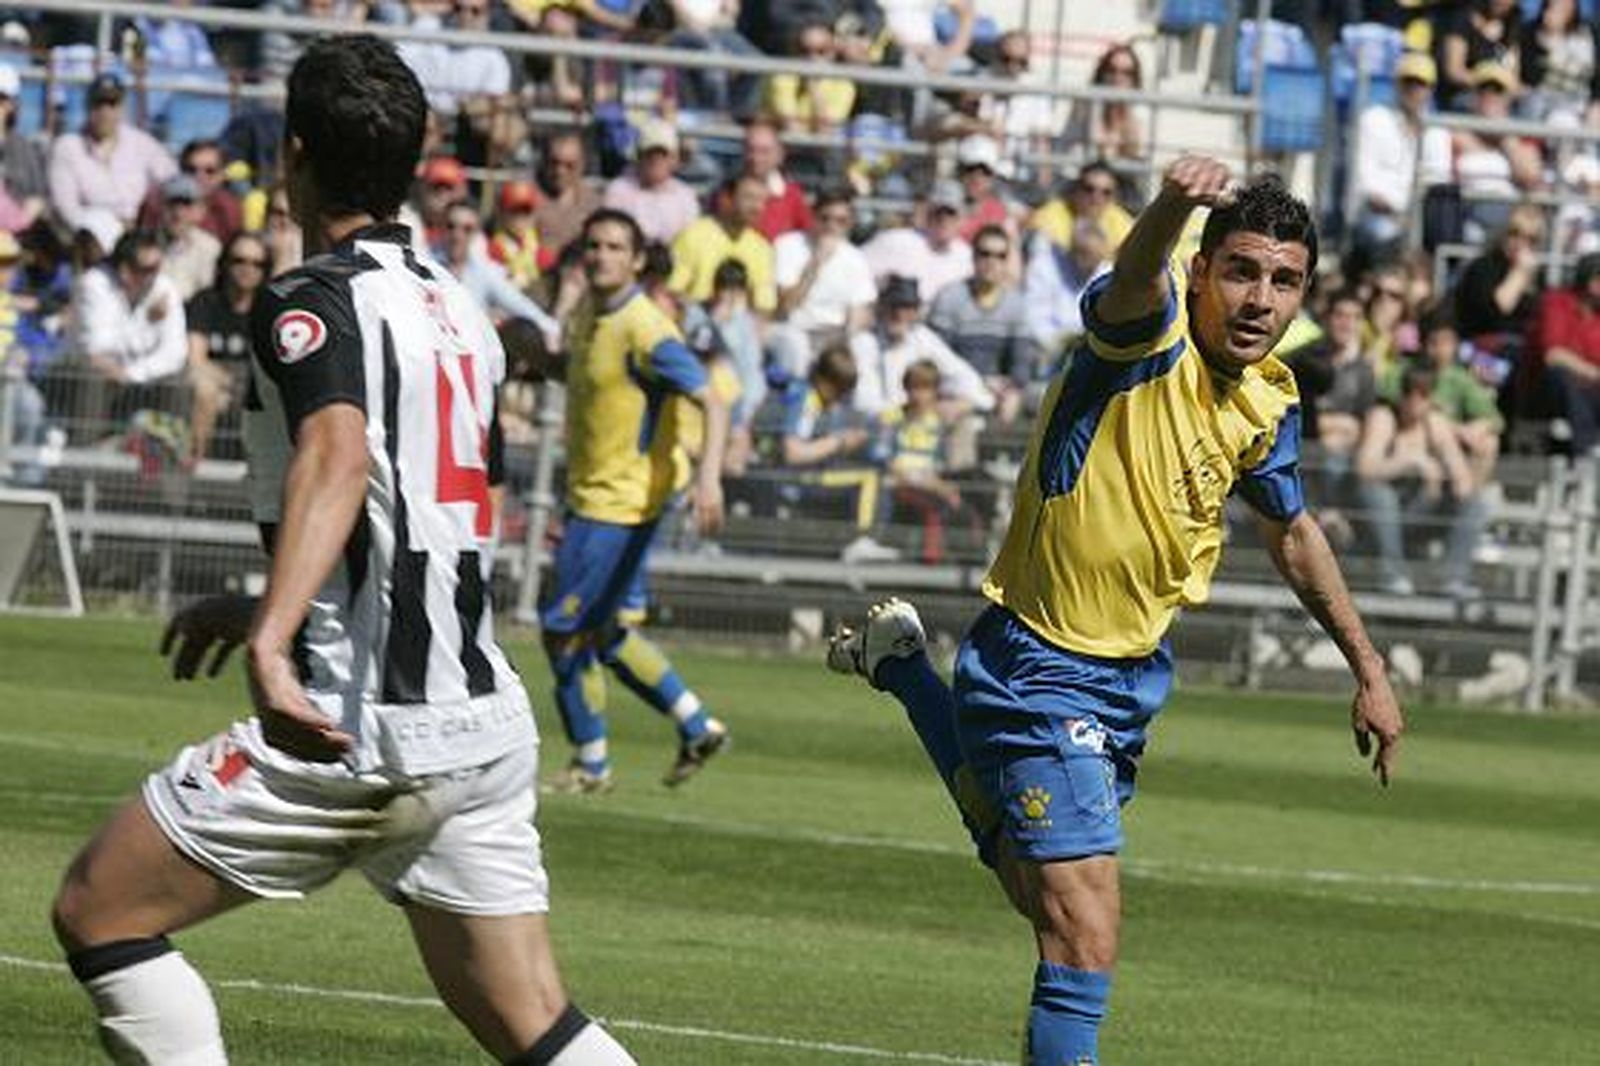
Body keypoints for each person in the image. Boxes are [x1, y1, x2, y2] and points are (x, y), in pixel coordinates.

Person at [49, 35, 636, 1065]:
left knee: (100, 908)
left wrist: (273, 638)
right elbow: (440, 513)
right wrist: (283, 603)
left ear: (294, 155)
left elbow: (339, 455)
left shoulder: (307, 299)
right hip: (481, 722)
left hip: (362, 721)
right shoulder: (464, 310)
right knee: (534, 1022)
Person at [825, 160, 1404, 1063]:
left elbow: (1292, 533)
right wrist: (1172, 205)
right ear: (1201, 272)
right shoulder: (1149, 332)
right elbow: (1134, 278)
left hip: (1131, 676)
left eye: (1285, 281)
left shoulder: (1267, 398)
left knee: (1037, 890)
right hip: (1039, 660)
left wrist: (1369, 667)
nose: (1260, 299)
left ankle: (903, 668)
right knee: (1084, 932)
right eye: (1241, 271)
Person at [543, 207, 731, 793]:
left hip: (616, 507)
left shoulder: (646, 328)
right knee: (605, 633)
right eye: (594, 245)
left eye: (615, 247)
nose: (602, 256)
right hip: (596, 498)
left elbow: (713, 400)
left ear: (637, 260)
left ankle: (590, 764)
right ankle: (696, 724)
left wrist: (709, 478)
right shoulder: (588, 313)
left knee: (563, 631)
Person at [1355, 363, 1488, 598]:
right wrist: (1410, 461)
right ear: (1402, 394)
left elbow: (1463, 479)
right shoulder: (1384, 417)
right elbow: (1365, 469)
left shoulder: (1435, 423)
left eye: (1423, 394)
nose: (1415, 401)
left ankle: (1453, 579)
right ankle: (1393, 575)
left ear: (1431, 397)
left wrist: (1453, 476)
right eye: (1410, 392)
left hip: (1421, 512)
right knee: (1380, 494)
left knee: (1475, 504)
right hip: (1379, 518)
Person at [927, 224, 1037, 424]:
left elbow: (1021, 362)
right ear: (973, 257)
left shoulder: (1017, 305)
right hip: (956, 390)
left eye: (1000, 256)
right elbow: (938, 359)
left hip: (999, 392)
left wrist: (1012, 388)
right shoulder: (949, 297)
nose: (991, 261)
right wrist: (978, 386)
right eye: (984, 254)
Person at [47, 73, 177, 234]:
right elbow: (67, 208)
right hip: (88, 236)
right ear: (87, 106)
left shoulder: (142, 144)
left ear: (122, 107)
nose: (105, 111)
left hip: (137, 233)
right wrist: (107, 230)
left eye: (112, 104)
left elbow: (172, 180)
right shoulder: (67, 147)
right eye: (98, 104)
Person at [1351, 53, 1453, 259]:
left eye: (1421, 83)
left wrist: (1413, 218)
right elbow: (1365, 182)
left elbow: (1439, 180)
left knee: (1447, 237)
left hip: (1421, 218)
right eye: (1409, 82)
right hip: (1377, 214)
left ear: (1430, 89)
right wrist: (1400, 214)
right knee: (1384, 234)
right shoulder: (1373, 119)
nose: (1414, 89)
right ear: (1397, 85)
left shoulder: (1438, 131)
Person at [768, 186, 877, 379]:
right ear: (813, 216)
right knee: (794, 344)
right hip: (795, 328)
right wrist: (816, 263)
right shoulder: (788, 245)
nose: (831, 226)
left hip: (835, 333)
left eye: (841, 221)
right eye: (825, 218)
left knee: (865, 344)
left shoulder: (856, 258)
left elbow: (860, 311)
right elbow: (784, 307)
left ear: (850, 223)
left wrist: (846, 341)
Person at [185, 230, 269, 461]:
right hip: (213, 388)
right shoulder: (205, 301)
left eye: (257, 264)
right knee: (205, 389)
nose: (248, 268)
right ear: (225, 263)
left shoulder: (268, 308)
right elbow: (196, 359)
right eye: (239, 260)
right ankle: (194, 462)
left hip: (252, 393)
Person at [668, 174, 777, 314]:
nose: (757, 207)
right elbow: (671, 291)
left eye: (762, 200)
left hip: (741, 323)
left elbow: (764, 307)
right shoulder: (693, 235)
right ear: (726, 199)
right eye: (749, 198)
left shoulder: (762, 248)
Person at [1532, 252, 1600, 451]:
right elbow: (1554, 355)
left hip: (1593, 387)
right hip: (1558, 385)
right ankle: (1586, 449)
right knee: (1564, 376)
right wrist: (1594, 373)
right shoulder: (1559, 302)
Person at [601, 118, 701, 245]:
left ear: (674, 159)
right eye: (650, 153)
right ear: (638, 156)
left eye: (663, 154)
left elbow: (690, 241)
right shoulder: (618, 190)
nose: (656, 159)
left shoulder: (686, 196)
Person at [1028, 161, 1135, 255]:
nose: (1096, 197)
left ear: (1113, 197)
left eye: (1106, 192)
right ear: (1076, 190)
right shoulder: (1050, 216)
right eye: (1089, 189)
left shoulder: (1120, 221)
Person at [532, 133, 604, 260]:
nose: (560, 171)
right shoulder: (525, 196)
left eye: (570, 165)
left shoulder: (594, 204)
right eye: (554, 162)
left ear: (582, 165)